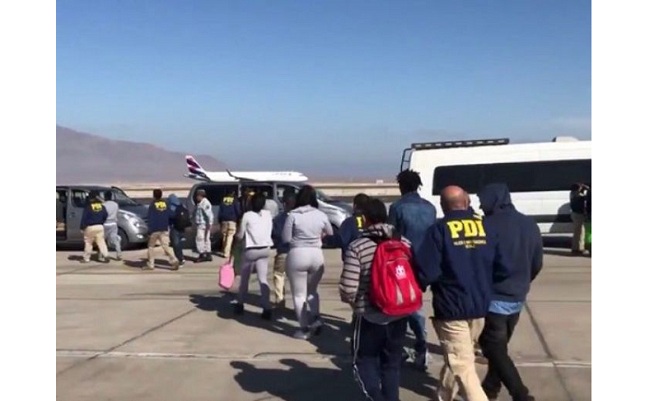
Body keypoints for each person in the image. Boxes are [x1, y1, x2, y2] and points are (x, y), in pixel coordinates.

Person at [414, 185, 510, 401]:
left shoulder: (439, 230)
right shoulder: (485, 227)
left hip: (452, 307)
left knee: (462, 364)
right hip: (480, 305)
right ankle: (443, 395)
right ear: (466, 202)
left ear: (443, 206)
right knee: (460, 357)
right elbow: (502, 266)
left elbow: (427, 271)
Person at [339, 198, 416, 401]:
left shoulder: (358, 246)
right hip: (399, 314)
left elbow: (348, 288)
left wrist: (353, 302)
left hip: (369, 315)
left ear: (365, 219)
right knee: (391, 365)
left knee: (364, 362)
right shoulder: (403, 242)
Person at [477, 183, 542, 401]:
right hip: (518, 296)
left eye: (482, 200)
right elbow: (537, 262)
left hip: (495, 297)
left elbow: (482, 263)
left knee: (493, 348)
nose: (480, 205)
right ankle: (490, 388)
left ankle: (521, 395)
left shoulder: (487, 225)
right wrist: (523, 282)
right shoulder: (529, 223)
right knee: (499, 349)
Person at [388, 169, 437, 370]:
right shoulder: (430, 208)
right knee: (415, 303)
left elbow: (392, 236)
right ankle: (419, 345)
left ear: (402, 186)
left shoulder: (397, 207)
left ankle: (416, 346)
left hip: (404, 262)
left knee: (404, 305)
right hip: (427, 261)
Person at [282, 184, 333, 339]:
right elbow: (330, 232)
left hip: (297, 254)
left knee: (299, 294)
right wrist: (318, 236)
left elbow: (286, 238)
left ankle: (304, 329)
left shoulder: (293, 215)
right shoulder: (320, 214)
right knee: (312, 291)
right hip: (316, 254)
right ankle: (316, 318)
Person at [233, 192, 274, 319]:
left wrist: (236, 239)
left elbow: (240, 234)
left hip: (251, 250)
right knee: (263, 279)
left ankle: (240, 303)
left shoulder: (247, 215)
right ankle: (267, 307)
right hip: (265, 248)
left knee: (245, 279)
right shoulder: (268, 214)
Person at [271, 192, 297, 308]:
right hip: (297, 253)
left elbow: (275, 234)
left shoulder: (278, 219)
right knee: (296, 278)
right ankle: (299, 301)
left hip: (282, 251)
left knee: (279, 275)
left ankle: (280, 299)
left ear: (284, 204)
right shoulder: (299, 218)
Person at [146, 189, 179, 271]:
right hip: (164, 228)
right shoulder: (165, 203)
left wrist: (149, 229)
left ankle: (151, 264)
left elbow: (150, 217)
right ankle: (174, 259)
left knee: (151, 246)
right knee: (165, 246)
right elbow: (171, 214)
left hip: (154, 229)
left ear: (154, 195)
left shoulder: (152, 205)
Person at [336, 193, 370, 261]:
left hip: (351, 259)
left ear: (355, 206)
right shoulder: (371, 221)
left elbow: (342, 240)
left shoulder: (348, 222)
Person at [80, 190, 109, 263]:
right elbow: (106, 215)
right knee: (101, 242)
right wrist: (101, 222)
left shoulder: (88, 207)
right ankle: (106, 255)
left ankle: (86, 258)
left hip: (90, 227)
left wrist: (82, 227)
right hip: (100, 226)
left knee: (88, 243)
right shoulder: (101, 206)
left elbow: (84, 218)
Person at [168, 193, 190, 268]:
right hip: (182, 228)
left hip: (175, 228)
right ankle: (181, 257)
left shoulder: (172, 207)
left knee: (175, 244)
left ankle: (180, 259)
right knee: (179, 244)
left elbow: (170, 217)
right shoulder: (182, 205)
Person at [194, 189, 214, 262]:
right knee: (206, 239)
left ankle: (202, 254)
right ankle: (208, 254)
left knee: (199, 239)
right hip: (202, 224)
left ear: (200, 196)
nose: (196, 197)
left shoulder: (205, 203)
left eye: (197, 196)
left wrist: (210, 223)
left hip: (203, 224)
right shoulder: (200, 203)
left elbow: (209, 214)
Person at [217, 190, 239, 259]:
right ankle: (226, 253)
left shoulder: (223, 200)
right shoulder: (234, 200)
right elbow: (237, 210)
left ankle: (224, 250)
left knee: (224, 235)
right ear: (233, 193)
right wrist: (238, 219)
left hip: (223, 220)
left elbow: (220, 211)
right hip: (232, 220)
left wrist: (220, 220)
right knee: (230, 236)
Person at [569, 183, 589, 255]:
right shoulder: (577, 195)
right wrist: (587, 188)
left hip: (575, 214)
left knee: (577, 232)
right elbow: (585, 197)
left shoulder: (572, 194)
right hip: (578, 215)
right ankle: (579, 248)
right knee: (580, 232)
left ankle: (575, 248)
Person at [102, 191, 122, 261]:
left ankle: (103, 254)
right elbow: (117, 213)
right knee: (115, 239)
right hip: (113, 223)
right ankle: (119, 253)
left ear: (105, 197)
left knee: (102, 240)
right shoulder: (115, 204)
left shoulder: (103, 205)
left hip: (105, 223)